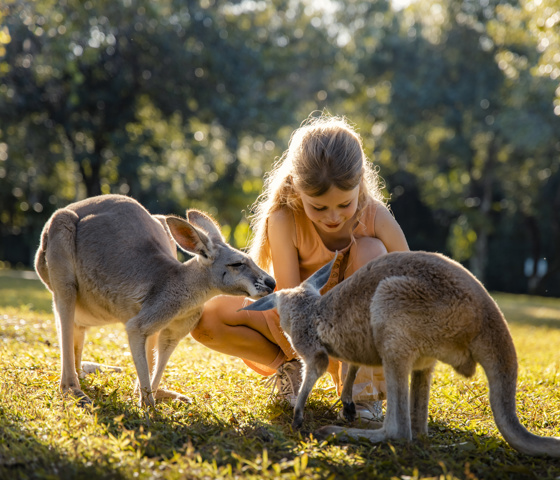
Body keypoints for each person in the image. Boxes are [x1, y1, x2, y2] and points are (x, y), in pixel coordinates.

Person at [191, 113, 409, 421]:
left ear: (360, 183)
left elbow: (413, 274)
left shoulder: (374, 216)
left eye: (344, 205)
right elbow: (291, 299)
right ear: (296, 189)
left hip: (358, 333)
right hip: (302, 325)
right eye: (319, 207)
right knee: (206, 317)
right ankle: (287, 367)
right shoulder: (284, 218)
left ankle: (363, 394)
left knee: (371, 250)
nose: (333, 217)